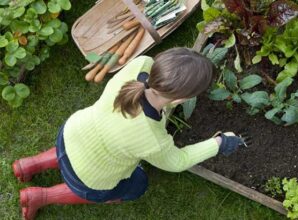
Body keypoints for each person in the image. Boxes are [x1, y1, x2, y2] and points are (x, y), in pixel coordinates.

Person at [13, 47, 245, 220]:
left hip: (72, 133)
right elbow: (178, 161)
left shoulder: (141, 65)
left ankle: (29, 164)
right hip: (89, 177)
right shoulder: (152, 139)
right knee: (137, 185)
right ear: (181, 100)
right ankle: (40, 197)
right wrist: (219, 143)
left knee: (79, 149)